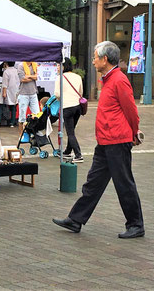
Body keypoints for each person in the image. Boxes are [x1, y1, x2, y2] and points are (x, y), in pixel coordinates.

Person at [53, 41, 145, 239]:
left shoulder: (119, 80)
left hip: (117, 141)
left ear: (105, 59)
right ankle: (76, 219)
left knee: (124, 183)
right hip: (106, 141)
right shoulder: (109, 79)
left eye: (95, 57)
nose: (93, 61)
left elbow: (131, 110)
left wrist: (135, 132)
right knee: (93, 183)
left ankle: (136, 224)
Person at [54, 57, 84, 163]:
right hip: (78, 107)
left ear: (63, 66)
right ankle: (67, 151)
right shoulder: (78, 77)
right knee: (72, 131)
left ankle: (78, 154)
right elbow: (81, 92)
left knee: (70, 132)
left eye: (58, 65)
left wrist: (61, 99)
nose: (57, 68)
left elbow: (57, 94)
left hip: (67, 107)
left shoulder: (60, 78)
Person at [17, 61, 39, 135]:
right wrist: (33, 77)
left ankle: (34, 133)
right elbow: (22, 79)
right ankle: (21, 134)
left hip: (33, 93)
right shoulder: (21, 65)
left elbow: (37, 77)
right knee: (22, 116)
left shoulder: (35, 65)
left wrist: (28, 76)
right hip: (23, 93)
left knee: (36, 115)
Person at [0, 62, 19, 128]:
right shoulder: (16, 71)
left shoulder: (6, 72)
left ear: (6, 63)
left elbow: (4, 84)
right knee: (13, 107)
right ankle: (12, 123)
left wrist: (4, 92)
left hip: (7, 90)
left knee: (1, 106)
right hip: (15, 91)